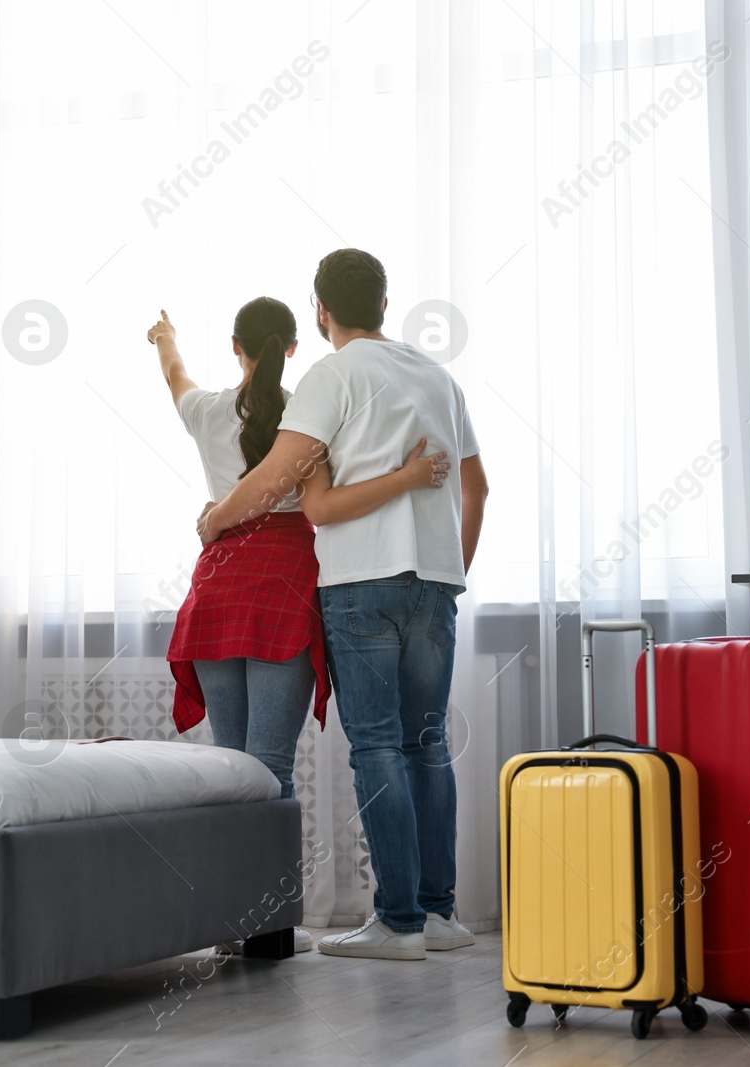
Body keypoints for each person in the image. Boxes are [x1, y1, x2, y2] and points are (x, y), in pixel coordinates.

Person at [197, 250, 489, 961]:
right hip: (434, 579)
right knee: (426, 745)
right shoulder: (437, 375)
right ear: (385, 305)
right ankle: (437, 913)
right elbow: (478, 491)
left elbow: (274, 479)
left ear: (321, 310)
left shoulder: (332, 375)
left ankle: (396, 922)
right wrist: (448, 573)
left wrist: (214, 521)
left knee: (378, 746)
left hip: (361, 583)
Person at [151, 297, 450, 953]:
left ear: (236, 347)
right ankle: (272, 928)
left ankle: (238, 924)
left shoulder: (204, 413)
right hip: (283, 588)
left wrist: (166, 338)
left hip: (216, 591)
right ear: (291, 349)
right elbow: (327, 499)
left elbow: (175, 377)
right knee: (271, 771)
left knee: (234, 769)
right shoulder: (309, 413)